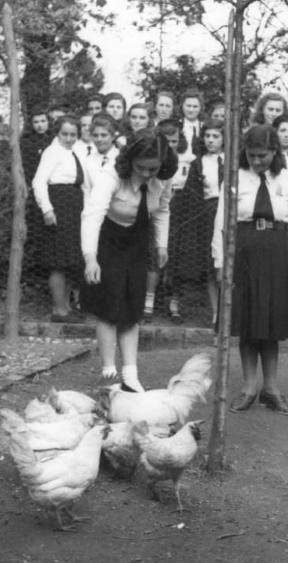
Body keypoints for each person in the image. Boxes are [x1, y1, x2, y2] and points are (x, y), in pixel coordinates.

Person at [212, 125, 288, 416]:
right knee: (248, 324)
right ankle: (249, 387)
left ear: (274, 152)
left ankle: (272, 389)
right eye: (251, 155)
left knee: (271, 325)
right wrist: (220, 262)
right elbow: (221, 223)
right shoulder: (235, 179)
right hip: (243, 252)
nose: (256, 161)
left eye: (262, 155)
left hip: (278, 251)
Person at [81, 129, 177, 393]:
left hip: (138, 239)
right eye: (141, 168)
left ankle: (130, 374)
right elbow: (92, 215)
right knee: (109, 305)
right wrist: (91, 258)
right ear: (130, 160)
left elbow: (163, 209)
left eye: (153, 169)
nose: (147, 174)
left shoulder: (162, 179)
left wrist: (161, 244)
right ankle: (109, 371)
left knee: (133, 306)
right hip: (108, 239)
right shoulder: (112, 175)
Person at [32, 115, 87, 323]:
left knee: (69, 261)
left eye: (73, 134)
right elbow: (38, 182)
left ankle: (66, 308)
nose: (69, 138)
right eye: (65, 134)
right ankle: (59, 310)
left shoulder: (75, 151)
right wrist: (47, 210)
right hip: (59, 206)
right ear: (57, 133)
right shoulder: (52, 152)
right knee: (57, 261)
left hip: (74, 207)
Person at [171, 118, 224, 325]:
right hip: (208, 215)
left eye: (216, 136)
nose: (211, 141)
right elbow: (193, 195)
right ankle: (216, 313)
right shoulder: (198, 163)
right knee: (212, 263)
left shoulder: (233, 160)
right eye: (208, 136)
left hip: (230, 213)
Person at [143, 119, 188, 323]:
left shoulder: (170, 169)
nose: (169, 147)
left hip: (149, 219)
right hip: (123, 220)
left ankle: (147, 305)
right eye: (165, 141)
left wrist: (162, 245)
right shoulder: (141, 159)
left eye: (173, 142)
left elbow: (162, 207)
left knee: (154, 260)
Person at [21, 107, 52, 282]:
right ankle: (37, 275)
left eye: (43, 121)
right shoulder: (26, 143)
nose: (40, 125)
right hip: (35, 191)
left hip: (54, 191)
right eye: (36, 122)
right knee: (37, 231)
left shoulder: (55, 141)